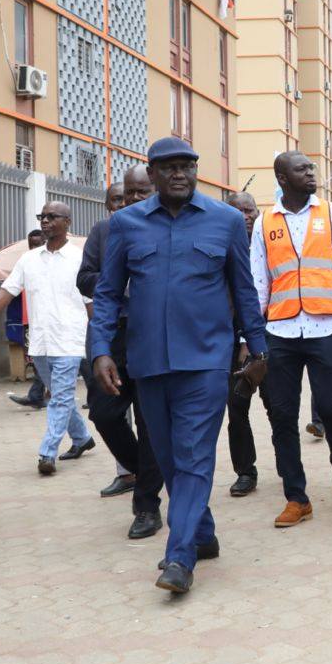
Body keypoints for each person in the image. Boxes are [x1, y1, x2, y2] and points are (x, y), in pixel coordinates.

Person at [92, 137, 267, 594]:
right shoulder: (126, 224)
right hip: (147, 361)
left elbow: (245, 291)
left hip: (207, 360)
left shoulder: (226, 221)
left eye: (187, 166)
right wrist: (101, 351)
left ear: (196, 170)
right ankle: (202, 534)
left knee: (193, 456)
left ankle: (179, 556)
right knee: (168, 457)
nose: (179, 174)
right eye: (168, 167)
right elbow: (108, 294)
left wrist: (258, 348)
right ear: (151, 174)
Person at [250, 150, 332, 527]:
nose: (312, 173)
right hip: (279, 331)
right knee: (281, 414)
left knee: (330, 406)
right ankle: (296, 497)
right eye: (302, 169)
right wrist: (251, 338)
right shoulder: (264, 222)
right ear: (282, 178)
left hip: (325, 326)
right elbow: (258, 281)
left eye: (312, 168)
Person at [79, 166, 165, 534]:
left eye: (140, 192)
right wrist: (118, 276)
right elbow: (84, 278)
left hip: (151, 335)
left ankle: (146, 506)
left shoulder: (165, 227)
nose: (132, 200)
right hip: (111, 335)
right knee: (104, 413)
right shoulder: (104, 231)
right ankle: (146, 470)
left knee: (150, 423)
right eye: (125, 195)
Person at [0, 201, 96, 475]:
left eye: (52, 217)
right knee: (62, 397)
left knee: (59, 398)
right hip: (40, 342)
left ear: (67, 222)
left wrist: (103, 338)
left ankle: (47, 454)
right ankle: (82, 438)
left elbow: (91, 302)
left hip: (70, 340)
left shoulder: (80, 258)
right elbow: (8, 290)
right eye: (42, 217)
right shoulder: (28, 259)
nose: (45, 221)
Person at [225, 191, 263, 496]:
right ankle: (245, 471)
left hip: (269, 341)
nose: (244, 216)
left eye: (249, 210)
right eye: (237, 211)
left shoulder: (271, 247)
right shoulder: (222, 249)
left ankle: (288, 466)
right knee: (236, 407)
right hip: (230, 344)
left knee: (279, 408)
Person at [7, 230, 48, 408]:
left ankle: (96, 396)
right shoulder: (26, 262)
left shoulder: (53, 262)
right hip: (33, 322)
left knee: (80, 362)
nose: (34, 248)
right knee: (38, 359)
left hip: (56, 323)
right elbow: (9, 288)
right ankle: (37, 396)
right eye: (32, 244)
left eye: (38, 244)